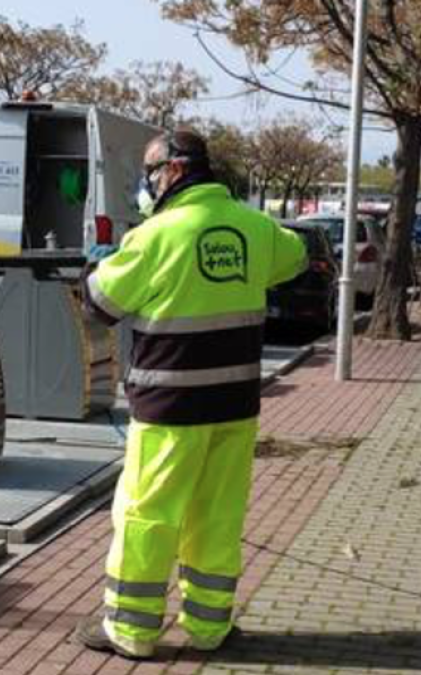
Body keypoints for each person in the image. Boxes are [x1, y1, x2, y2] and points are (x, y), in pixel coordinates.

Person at [73, 129, 307, 659]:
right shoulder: (254, 228)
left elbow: (101, 303)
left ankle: (131, 631)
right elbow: (293, 258)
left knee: (147, 514)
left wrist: (97, 264)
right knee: (218, 516)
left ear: (174, 171)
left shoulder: (157, 235)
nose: (147, 186)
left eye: (151, 174)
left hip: (169, 411)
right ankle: (209, 628)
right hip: (235, 407)